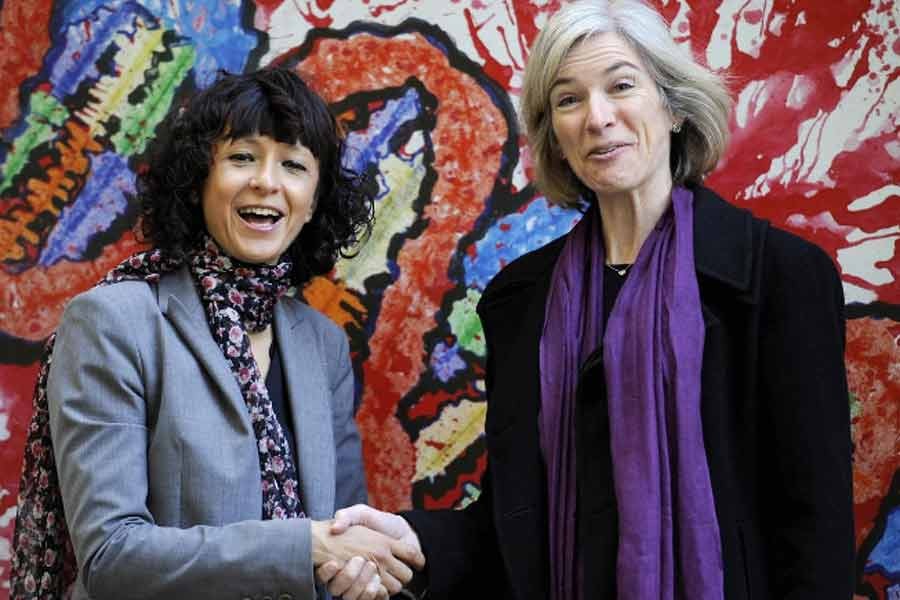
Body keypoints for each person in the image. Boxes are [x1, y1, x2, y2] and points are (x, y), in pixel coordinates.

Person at [318, 0, 855, 598]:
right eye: (568, 100)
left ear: (673, 106)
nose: (597, 117)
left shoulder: (781, 279)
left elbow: (815, 529)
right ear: (556, 135)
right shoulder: (520, 302)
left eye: (621, 85)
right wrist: (409, 539)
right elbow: (511, 525)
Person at [10, 66, 423, 600]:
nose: (267, 181)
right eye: (242, 157)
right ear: (199, 178)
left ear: (314, 201)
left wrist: (359, 568)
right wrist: (305, 548)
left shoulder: (321, 344)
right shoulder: (113, 321)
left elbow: (345, 532)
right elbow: (111, 556)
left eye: (293, 164)